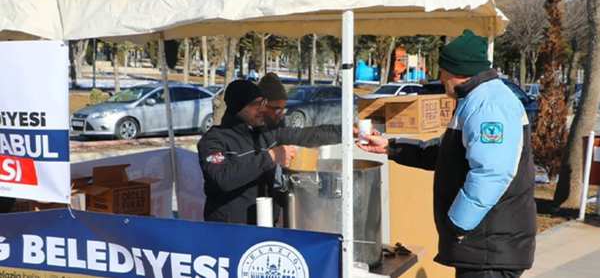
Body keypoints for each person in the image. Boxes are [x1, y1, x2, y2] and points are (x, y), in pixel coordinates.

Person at [356, 29, 536, 278]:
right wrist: (389, 146)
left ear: (459, 71)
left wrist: (458, 224)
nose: (439, 77)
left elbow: (492, 172)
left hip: (488, 252)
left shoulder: (490, 105)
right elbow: (444, 153)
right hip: (484, 248)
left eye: (442, 70)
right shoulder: (475, 100)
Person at [197, 80, 341, 225]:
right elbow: (222, 179)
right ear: (237, 108)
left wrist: (346, 131)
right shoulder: (214, 139)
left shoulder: (268, 131)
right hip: (229, 229)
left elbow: (307, 135)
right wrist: (270, 157)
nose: (261, 109)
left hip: (265, 224)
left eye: (262, 102)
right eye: (254, 104)